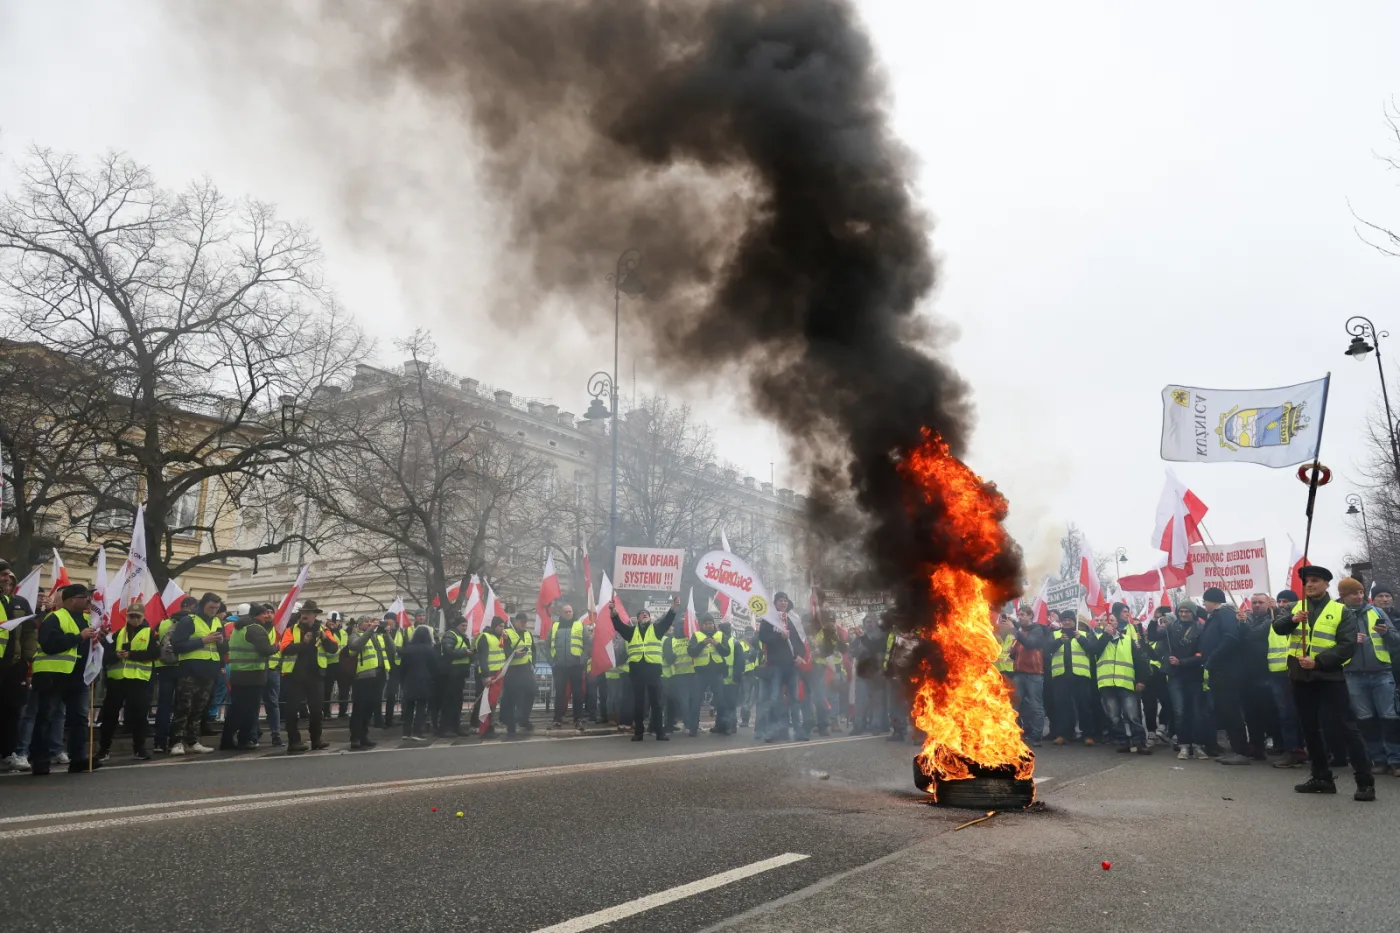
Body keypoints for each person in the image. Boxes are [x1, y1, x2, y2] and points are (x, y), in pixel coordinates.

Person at [1274, 567, 1375, 801]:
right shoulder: (1296, 607)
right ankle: (1321, 777)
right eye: (1306, 581)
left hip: (1329, 677)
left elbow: (1347, 645)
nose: (1309, 585)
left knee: (1346, 727)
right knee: (1309, 728)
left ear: (1326, 584)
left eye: (1315, 580)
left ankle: (1365, 782)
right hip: (1301, 676)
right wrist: (1293, 619)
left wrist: (1318, 662)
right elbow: (1278, 627)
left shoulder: (1340, 610)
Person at [30, 584, 102, 775]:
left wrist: (97, 637)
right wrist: (78, 637)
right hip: (53, 675)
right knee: (46, 718)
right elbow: (49, 644)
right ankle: (40, 761)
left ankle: (78, 759)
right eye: (84, 597)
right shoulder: (54, 618)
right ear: (71, 600)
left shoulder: (88, 620)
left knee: (79, 718)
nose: (88, 600)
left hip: (78, 677)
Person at [1342, 580, 1400, 775]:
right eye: (1354, 593)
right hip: (1353, 675)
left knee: (1390, 717)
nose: (1359, 596)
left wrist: (1386, 633)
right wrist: (1350, 641)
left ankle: (1396, 761)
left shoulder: (1377, 612)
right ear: (1343, 595)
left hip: (1381, 672)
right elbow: (1329, 644)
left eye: (1361, 592)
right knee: (1365, 720)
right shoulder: (1339, 615)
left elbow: (1396, 640)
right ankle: (1378, 760)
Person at [96, 605, 161, 762]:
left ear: (143, 617)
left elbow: (155, 654)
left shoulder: (151, 633)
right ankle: (104, 749)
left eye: (138, 616)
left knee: (140, 717)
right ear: (127, 617)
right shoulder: (118, 633)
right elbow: (106, 656)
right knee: (109, 716)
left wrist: (131, 655)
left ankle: (139, 749)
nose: (134, 619)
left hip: (139, 680)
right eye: (131, 616)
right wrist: (116, 655)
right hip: (117, 680)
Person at [167, 592, 227, 756]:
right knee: (184, 707)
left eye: (216, 608)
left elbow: (224, 649)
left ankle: (192, 741)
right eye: (211, 607)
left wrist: (222, 642)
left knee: (199, 709)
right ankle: (176, 742)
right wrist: (203, 641)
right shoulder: (189, 620)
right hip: (189, 670)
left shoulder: (217, 622)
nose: (214, 611)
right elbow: (178, 645)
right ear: (203, 605)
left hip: (209, 670)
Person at [1091, 603, 1152, 754]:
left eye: (1112, 621)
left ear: (1117, 623)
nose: (1110, 623)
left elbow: (1140, 661)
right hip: (1107, 684)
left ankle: (1139, 742)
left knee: (1132, 715)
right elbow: (1094, 651)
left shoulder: (1128, 640)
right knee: (1114, 716)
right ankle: (1123, 741)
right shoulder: (1098, 638)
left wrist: (1141, 680)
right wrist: (1106, 636)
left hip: (1126, 683)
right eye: (1107, 621)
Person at [1199, 587, 1250, 765]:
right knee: (1226, 712)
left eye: (1205, 601)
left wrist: (1212, 658)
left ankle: (1241, 751)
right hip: (1219, 671)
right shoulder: (1215, 616)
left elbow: (1231, 638)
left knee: (1232, 711)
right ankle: (1236, 749)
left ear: (1213, 601)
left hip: (1227, 671)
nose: (1204, 605)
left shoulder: (1225, 614)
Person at [278, 600, 335, 754]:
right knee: (292, 711)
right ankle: (294, 742)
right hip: (294, 676)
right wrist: (304, 643)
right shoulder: (292, 629)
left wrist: (324, 638)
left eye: (308, 613)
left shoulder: (323, 630)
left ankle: (316, 740)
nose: (304, 615)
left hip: (316, 676)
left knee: (316, 711)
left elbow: (333, 648)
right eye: (303, 612)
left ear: (315, 615)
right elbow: (284, 648)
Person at [219, 602, 277, 751]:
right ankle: (245, 739)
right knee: (250, 711)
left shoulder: (239, 628)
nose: (267, 616)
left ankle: (226, 740)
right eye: (264, 613)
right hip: (253, 675)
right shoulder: (256, 629)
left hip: (238, 674)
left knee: (236, 709)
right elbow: (265, 650)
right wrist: (276, 647)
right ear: (257, 615)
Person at [617, 599, 678, 741]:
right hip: (637, 672)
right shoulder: (631, 632)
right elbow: (618, 626)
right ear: (637, 619)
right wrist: (613, 613)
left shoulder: (656, 629)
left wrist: (673, 608)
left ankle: (659, 732)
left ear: (650, 618)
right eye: (641, 614)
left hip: (653, 671)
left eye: (646, 614)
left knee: (656, 703)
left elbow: (667, 620)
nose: (644, 614)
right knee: (638, 703)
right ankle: (638, 732)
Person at [0, 563, 37, 771]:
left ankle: (9, 752)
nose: (7, 578)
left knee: (12, 710)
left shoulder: (20, 602)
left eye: (9, 575)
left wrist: (27, 659)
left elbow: (30, 632)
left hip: (15, 666)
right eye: (3, 575)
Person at [1267, 589, 1307, 768]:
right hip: (1277, 672)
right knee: (1286, 714)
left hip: (1295, 671)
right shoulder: (1276, 621)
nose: (1282, 604)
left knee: (1292, 715)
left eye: (1286, 601)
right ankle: (1294, 749)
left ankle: (1295, 750)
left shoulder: (1299, 619)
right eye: (1280, 601)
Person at [1240, 593, 1280, 760]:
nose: (1257, 605)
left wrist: (1276, 611)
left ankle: (1277, 742)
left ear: (1268, 603)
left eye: (1261, 602)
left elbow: (1254, 635)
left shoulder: (1273, 619)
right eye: (1254, 602)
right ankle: (1256, 746)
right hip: (1248, 674)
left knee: (1270, 711)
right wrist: (1241, 623)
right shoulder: (1246, 619)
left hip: (1268, 672)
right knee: (1251, 713)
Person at [1047, 612, 1096, 745]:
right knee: (1062, 706)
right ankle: (1064, 734)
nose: (1067, 622)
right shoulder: (1055, 635)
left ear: (1074, 622)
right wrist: (1059, 642)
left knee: (1084, 706)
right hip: (1061, 676)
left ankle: (1088, 735)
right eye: (1065, 620)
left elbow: (1093, 649)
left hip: (1080, 676)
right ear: (1061, 622)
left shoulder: (1084, 634)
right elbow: (1046, 649)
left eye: (1070, 620)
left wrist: (1081, 639)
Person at [151, 596, 190, 753]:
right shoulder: (190, 623)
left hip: (163, 666)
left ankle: (159, 742)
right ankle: (177, 742)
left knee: (163, 706)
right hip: (183, 667)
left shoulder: (163, 623)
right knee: (182, 706)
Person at [1010, 606, 1051, 747]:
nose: (1020, 617)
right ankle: (1017, 734)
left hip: (1034, 674)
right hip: (1019, 673)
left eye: (1022, 614)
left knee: (1036, 706)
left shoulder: (1037, 630)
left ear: (1030, 616)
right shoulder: (1020, 632)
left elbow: (1030, 644)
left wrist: (1017, 633)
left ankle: (1036, 736)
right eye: (1019, 615)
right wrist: (1012, 651)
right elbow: (1015, 654)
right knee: (1016, 706)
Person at [346, 616, 384, 750]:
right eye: (366, 622)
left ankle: (364, 735)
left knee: (369, 709)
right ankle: (355, 737)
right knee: (359, 709)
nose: (369, 624)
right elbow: (355, 645)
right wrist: (370, 631)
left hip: (374, 676)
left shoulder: (373, 636)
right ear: (360, 625)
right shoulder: (355, 635)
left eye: (370, 622)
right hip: (361, 677)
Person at [550, 603, 588, 727]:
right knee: (560, 693)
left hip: (576, 665)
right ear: (561, 613)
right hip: (559, 666)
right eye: (565, 612)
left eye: (569, 611)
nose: (568, 613)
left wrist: (582, 659)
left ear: (572, 612)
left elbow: (587, 643)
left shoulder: (579, 625)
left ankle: (578, 718)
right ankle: (557, 718)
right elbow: (547, 644)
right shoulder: (555, 626)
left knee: (577, 693)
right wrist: (551, 660)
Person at [397, 625, 437, 741]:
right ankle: (417, 732)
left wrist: (403, 680)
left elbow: (403, 667)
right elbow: (434, 667)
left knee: (408, 707)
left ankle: (406, 732)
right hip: (424, 681)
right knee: (421, 707)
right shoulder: (430, 649)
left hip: (409, 681)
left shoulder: (408, 649)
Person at [502, 611, 537, 739]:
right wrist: (514, 654)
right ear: (516, 621)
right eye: (522, 622)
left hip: (526, 669)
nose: (524, 624)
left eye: (525, 622)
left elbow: (533, 650)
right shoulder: (507, 633)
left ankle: (523, 719)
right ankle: (511, 727)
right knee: (512, 698)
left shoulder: (528, 634)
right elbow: (504, 650)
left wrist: (533, 663)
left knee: (531, 693)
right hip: (512, 670)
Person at [441, 615, 475, 736]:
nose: (465, 628)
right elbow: (448, 651)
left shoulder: (463, 637)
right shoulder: (451, 635)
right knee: (449, 701)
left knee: (457, 701)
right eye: (462, 625)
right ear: (457, 626)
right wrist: (466, 652)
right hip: (451, 673)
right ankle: (446, 728)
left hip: (460, 673)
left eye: (466, 625)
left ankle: (456, 726)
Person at [475, 615, 508, 737]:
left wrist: (507, 640)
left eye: (503, 626)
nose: (502, 629)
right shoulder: (485, 637)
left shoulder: (501, 638)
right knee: (487, 704)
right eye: (500, 626)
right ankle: (485, 729)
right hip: (489, 675)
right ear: (494, 626)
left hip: (498, 675)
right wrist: (485, 676)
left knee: (493, 704)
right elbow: (482, 658)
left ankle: (490, 727)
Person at [663, 623, 696, 735]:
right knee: (688, 701)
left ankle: (685, 724)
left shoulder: (671, 640)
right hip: (687, 674)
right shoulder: (690, 638)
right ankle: (689, 724)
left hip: (680, 674)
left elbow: (668, 657)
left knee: (684, 701)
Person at [378, 613, 405, 729]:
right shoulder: (380, 632)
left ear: (394, 621)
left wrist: (396, 649)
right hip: (382, 665)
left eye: (389, 620)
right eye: (386, 620)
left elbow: (406, 648)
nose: (387, 622)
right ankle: (378, 718)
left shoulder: (401, 632)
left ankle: (389, 719)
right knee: (378, 693)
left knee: (391, 694)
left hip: (396, 667)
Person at [321, 613, 351, 719]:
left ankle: (343, 712)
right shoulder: (325, 632)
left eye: (336, 621)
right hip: (330, 664)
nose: (334, 623)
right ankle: (326, 712)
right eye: (332, 621)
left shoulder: (344, 633)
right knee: (327, 690)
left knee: (344, 689)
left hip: (342, 664)